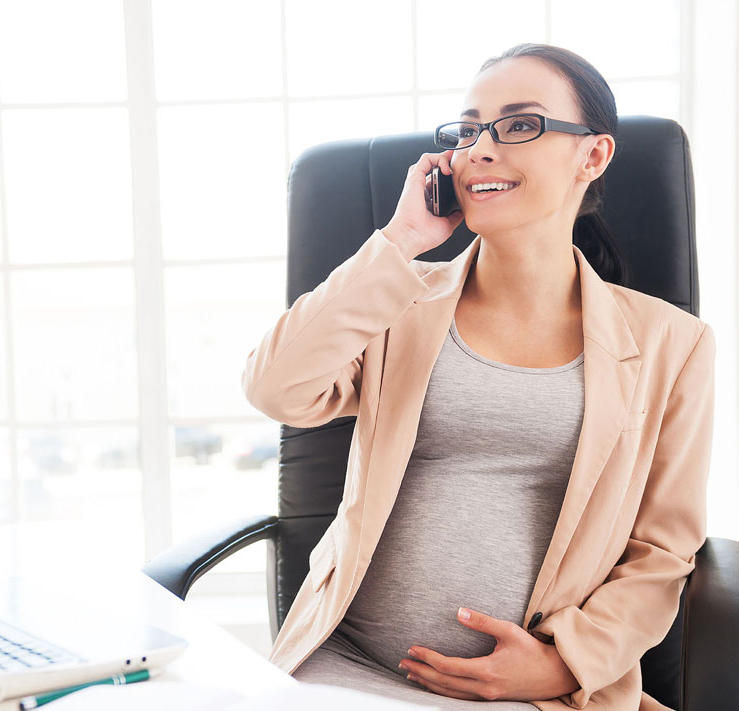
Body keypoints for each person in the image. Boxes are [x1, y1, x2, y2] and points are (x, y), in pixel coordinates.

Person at [240, 43, 716, 711]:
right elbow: (275, 387)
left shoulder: (674, 344)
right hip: (347, 667)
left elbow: (662, 552)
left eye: (519, 124)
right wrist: (402, 239)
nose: (481, 149)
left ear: (593, 155)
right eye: (469, 130)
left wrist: (561, 665)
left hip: (539, 693)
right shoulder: (399, 299)